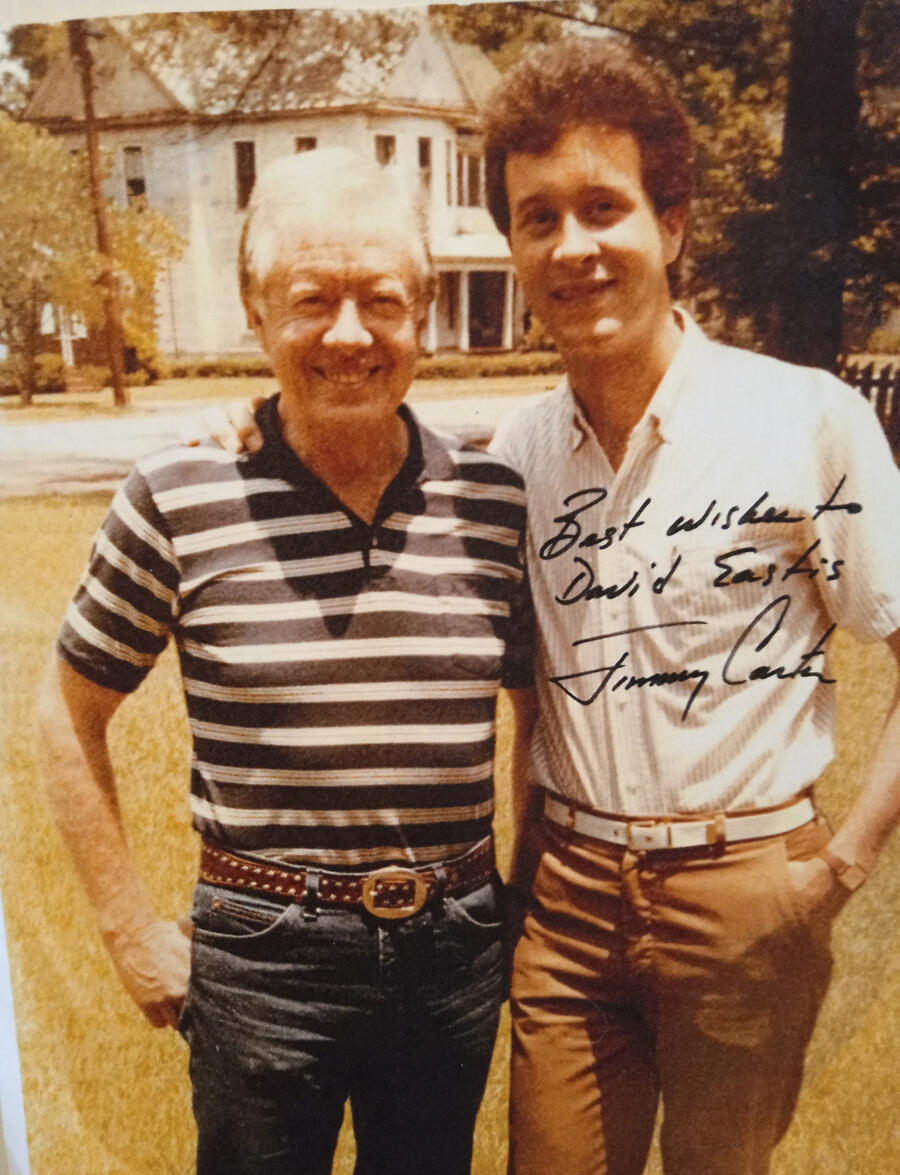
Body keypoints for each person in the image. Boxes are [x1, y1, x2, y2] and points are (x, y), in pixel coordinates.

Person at [190, 37, 900, 1174]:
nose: (572, 246)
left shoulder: (805, 422)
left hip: (746, 886)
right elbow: (359, 440)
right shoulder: (510, 462)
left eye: (603, 207)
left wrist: (841, 868)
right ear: (513, 245)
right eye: (537, 217)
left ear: (672, 224)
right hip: (564, 899)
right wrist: (256, 418)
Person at [36, 148, 532, 1175]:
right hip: (265, 956)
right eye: (311, 299)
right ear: (257, 313)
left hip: (452, 952)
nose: (349, 333)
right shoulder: (178, 496)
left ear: (425, 312)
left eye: (382, 300)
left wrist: (511, 900)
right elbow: (67, 709)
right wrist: (130, 927)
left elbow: (540, 713)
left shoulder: (494, 503)